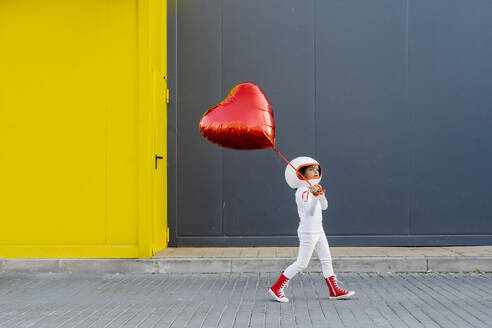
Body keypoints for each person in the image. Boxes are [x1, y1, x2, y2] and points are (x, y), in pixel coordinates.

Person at [269, 156, 355, 302]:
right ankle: (276, 288)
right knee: (302, 263)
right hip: (308, 232)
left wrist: (320, 195)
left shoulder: (312, 188)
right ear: (301, 173)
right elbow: (309, 211)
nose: (315, 172)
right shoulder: (301, 191)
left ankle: (334, 291)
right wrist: (315, 196)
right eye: (311, 169)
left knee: (327, 260)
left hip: (318, 230)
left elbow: (325, 206)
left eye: (316, 169)